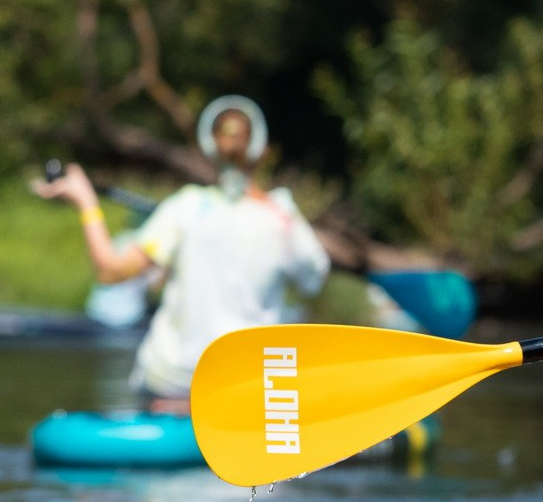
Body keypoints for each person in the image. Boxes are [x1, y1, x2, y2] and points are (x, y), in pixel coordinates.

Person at [36, 96, 329, 412]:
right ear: (262, 151)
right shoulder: (283, 218)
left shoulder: (184, 208)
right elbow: (314, 284)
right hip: (248, 394)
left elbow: (110, 271)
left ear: (209, 149)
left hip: (172, 390)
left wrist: (86, 202)